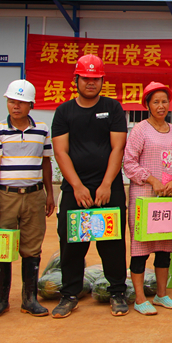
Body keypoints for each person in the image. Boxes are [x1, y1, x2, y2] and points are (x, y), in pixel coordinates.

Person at [51, 54, 128, 318]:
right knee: (71, 244)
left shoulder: (113, 108)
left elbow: (118, 147)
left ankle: (117, 292)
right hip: (75, 190)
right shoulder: (64, 112)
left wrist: (106, 184)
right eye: (85, 78)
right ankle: (69, 294)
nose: (90, 83)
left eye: (95, 78)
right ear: (76, 79)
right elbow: (60, 152)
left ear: (102, 80)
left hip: (109, 189)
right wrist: (77, 186)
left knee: (113, 243)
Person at [0, 80, 55, 319]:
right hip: (6, 196)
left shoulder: (42, 130)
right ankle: (1, 301)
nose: (16, 106)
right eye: (12, 101)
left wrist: (49, 194)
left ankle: (29, 300)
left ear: (31, 105)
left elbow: (46, 163)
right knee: (1, 246)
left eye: (21, 103)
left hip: (34, 196)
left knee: (32, 248)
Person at [123, 82, 172, 316]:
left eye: (164, 101)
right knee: (140, 248)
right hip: (144, 197)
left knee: (164, 248)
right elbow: (129, 163)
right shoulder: (140, 130)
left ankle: (161, 294)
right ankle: (140, 299)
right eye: (155, 101)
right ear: (147, 105)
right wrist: (151, 180)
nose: (161, 106)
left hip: (167, 198)